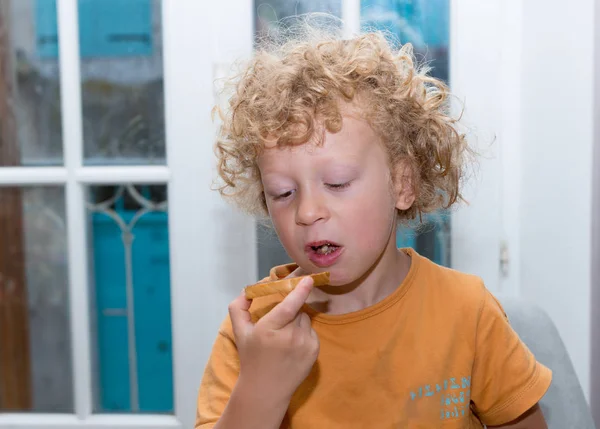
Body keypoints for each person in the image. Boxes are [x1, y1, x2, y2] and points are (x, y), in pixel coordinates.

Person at [196, 19, 551, 428]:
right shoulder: (255, 331)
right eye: (282, 192)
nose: (308, 212)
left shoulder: (466, 312)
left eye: (337, 182)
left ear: (402, 184)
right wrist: (262, 385)